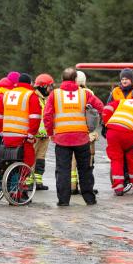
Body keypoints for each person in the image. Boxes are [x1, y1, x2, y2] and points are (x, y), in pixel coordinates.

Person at [43, 67, 104, 206]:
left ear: (62, 79)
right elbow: (100, 106)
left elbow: (47, 115)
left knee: (63, 170)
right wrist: (104, 119)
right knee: (85, 170)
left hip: (62, 138)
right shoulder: (84, 93)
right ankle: (89, 198)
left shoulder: (55, 94)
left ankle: (63, 201)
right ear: (76, 79)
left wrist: (50, 133)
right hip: (81, 138)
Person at [0, 73, 42, 201]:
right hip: (22, 136)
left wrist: (1, 131)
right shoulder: (30, 95)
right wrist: (31, 134)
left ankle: (10, 186)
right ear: (29, 83)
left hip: (8, 136)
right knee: (27, 162)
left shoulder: (7, 94)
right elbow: (35, 117)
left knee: (10, 161)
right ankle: (19, 192)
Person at [70, 71, 100, 194]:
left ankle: (72, 186)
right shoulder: (88, 93)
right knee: (87, 160)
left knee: (73, 160)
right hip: (86, 132)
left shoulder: (67, 93)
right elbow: (96, 110)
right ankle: (86, 187)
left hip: (70, 130)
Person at [32, 74, 55, 190]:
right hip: (35, 135)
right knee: (31, 159)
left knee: (40, 159)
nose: (50, 89)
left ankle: (38, 181)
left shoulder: (44, 99)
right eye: (49, 87)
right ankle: (28, 181)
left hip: (44, 135)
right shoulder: (34, 98)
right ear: (42, 86)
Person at [0, 71, 19, 153]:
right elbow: (2, 109)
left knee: (1, 147)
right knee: (1, 147)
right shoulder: (2, 92)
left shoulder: (4, 90)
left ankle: (0, 161)